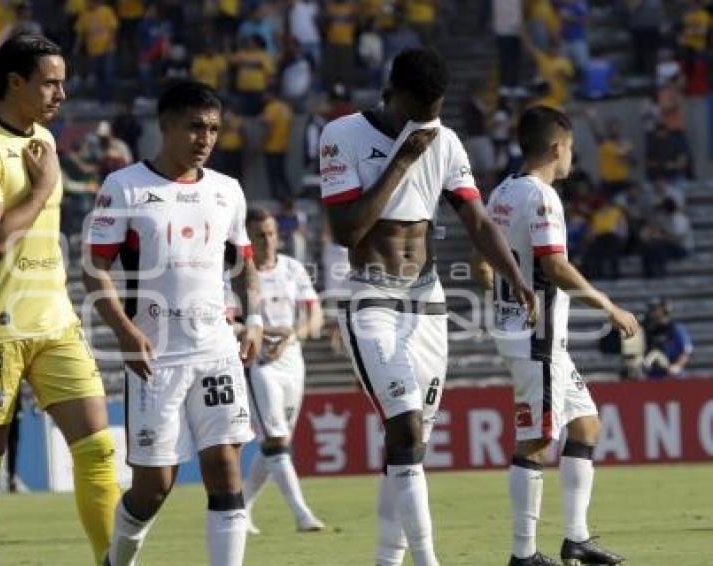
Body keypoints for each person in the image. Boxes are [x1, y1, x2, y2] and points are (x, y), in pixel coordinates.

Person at [319, 47, 537, 566]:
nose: (428, 121)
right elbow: (347, 230)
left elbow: (478, 220)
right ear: (392, 92)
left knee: (411, 446)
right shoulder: (342, 135)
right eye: (420, 109)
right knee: (404, 424)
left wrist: (515, 276)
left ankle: (387, 561)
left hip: (428, 301)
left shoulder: (444, 139)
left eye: (436, 110)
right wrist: (403, 158)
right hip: (372, 294)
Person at [0, 34, 119, 566]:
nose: (60, 94)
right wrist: (42, 188)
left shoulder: (42, 138)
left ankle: (114, 561)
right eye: (50, 82)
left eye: (62, 82)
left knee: (98, 450)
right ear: (14, 82)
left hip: (56, 321)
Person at [83, 79, 263, 566]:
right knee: (153, 488)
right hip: (155, 357)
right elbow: (93, 267)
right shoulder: (125, 187)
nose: (205, 138)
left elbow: (244, 263)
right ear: (164, 126)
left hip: (216, 351)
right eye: (194, 127)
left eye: (212, 128)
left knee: (227, 470)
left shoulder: (228, 191)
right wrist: (124, 331)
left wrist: (255, 318)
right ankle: (117, 560)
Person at [474, 105, 639, 565]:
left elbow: (484, 250)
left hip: (536, 336)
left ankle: (577, 540)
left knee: (585, 425)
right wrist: (609, 306)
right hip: (537, 337)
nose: (573, 159)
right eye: (570, 149)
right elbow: (557, 267)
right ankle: (523, 555)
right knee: (536, 441)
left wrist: (494, 280)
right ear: (556, 148)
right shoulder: (543, 198)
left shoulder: (503, 191)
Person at [241, 206, 326, 535]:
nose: (267, 241)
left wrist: (294, 334)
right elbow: (227, 319)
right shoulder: (237, 274)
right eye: (259, 235)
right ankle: (302, 514)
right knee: (276, 439)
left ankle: (242, 504)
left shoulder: (292, 268)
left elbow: (314, 315)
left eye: (271, 233)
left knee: (276, 441)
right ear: (247, 238)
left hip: (293, 359)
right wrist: (255, 333)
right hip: (258, 363)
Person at [642, 298, 692, 378]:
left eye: (655, 309)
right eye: (651, 309)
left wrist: (677, 366)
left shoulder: (676, 329)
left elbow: (686, 352)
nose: (652, 312)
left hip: (673, 376)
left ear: (664, 310)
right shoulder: (648, 330)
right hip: (654, 377)